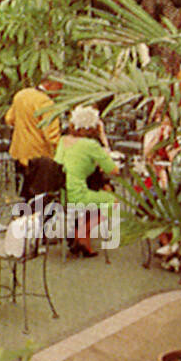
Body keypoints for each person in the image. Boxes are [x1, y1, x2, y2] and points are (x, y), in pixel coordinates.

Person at [55, 105, 120, 258]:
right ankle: (82, 233)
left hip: (61, 194)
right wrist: (103, 139)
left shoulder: (63, 140)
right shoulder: (91, 145)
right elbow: (113, 169)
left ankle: (82, 240)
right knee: (112, 202)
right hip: (78, 194)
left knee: (97, 195)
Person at [5, 79, 62, 182]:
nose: (60, 92)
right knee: (39, 190)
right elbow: (51, 136)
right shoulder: (47, 103)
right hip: (39, 156)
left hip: (18, 152)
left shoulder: (22, 94)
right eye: (59, 88)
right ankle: (38, 199)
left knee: (23, 188)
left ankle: (25, 198)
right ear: (50, 84)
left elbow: (9, 119)